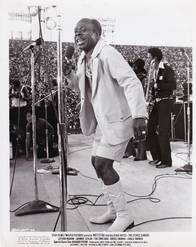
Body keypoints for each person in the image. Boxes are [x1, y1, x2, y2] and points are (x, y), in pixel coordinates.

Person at [64, 18, 147, 232]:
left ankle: (124, 216)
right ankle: (112, 210)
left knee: (103, 164)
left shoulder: (108, 53)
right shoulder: (84, 58)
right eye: (75, 32)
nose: (77, 35)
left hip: (118, 119)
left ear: (97, 33)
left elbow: (131, 81)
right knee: (95, 161)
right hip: (103, 121)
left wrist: (139, 115)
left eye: (83, 31)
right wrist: (69, 74)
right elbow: (80, 88)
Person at [146, 48, 176, 168]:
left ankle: (166, 161)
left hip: (165, 102)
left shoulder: (167, 69)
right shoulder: (154, 70)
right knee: (150, 128)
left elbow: (173, 85)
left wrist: (158, 85)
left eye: (149, 57)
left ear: (155, 58)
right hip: (157, 102)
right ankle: (157, 157)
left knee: (163, 131)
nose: (148, 60)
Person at [124, 59, 148, 161]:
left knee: (139, 130)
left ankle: (141, 153)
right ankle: (132, 151)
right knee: (133, 129)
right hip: (134, 104)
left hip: (138, 105)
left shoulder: (140, 78)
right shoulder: (140, 77)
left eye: (134, 67)